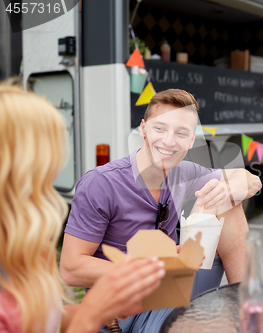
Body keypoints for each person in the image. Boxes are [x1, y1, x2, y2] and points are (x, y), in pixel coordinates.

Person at [60, 89, 262, 332]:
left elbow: (251, 179)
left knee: (228, 200)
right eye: (160, 128)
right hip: (122, 310)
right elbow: (70, 269)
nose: (168, 141)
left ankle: (249, 312)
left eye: (180, 133)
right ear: (143, 129)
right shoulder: (101, 183)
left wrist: (235, 188)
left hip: (170, 286)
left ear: (191, 140)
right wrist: (154, 268)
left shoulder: (184, 173)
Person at [0, 84, 166, 333]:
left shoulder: (26, 245)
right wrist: (88, 317)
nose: (53, 177)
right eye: (42, 171)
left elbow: (38, 319)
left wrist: (102, 308)